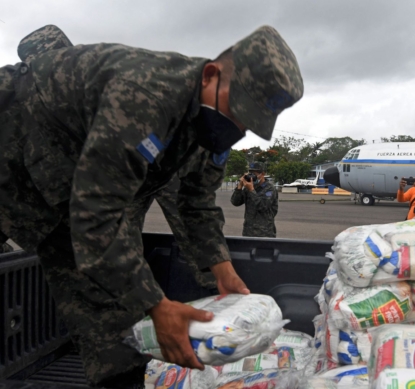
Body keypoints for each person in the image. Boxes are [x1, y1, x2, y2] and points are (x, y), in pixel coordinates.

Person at [0, 24, 303, 388]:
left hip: (60, 186)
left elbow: (197, 203)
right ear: (209, 75)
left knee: (115, 314)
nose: (237, 127)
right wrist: (157, 304)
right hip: (12, 152)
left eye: (249, 123)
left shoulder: (216, 130)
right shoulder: (145, 94)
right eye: (236, 110)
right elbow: (95, 215)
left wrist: (220, 267)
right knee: (129, 289)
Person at [230, 162, 279, 237]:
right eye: (250, 174)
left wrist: (252, 190)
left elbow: (263, 206)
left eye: (254, 174)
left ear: (262, 174)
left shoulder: (270, 189)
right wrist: (239, 187)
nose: (252, 177)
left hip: (265, 233)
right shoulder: (249, 187)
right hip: (248, 232)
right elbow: (235, 202)